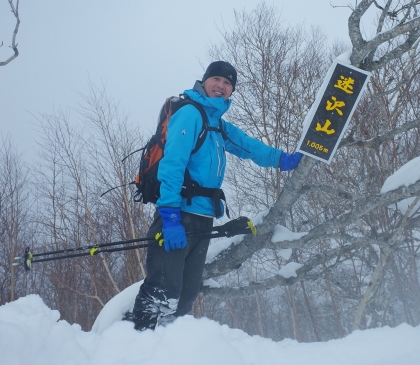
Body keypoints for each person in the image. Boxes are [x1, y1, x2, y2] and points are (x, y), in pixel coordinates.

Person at [129, 61, 302, 331]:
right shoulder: (190, 114)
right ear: (205, 81)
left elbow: (247, 145)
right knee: (163, 291)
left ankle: (167, 348)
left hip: (203, 218)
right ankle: (134, 345)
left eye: (227, 83)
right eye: (216, 79)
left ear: (231, 90)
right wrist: (170, 215)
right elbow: (172, 165)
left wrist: (282, 159)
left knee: (186, 295)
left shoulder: (216, 123)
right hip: (177, 215)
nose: (221, 86)